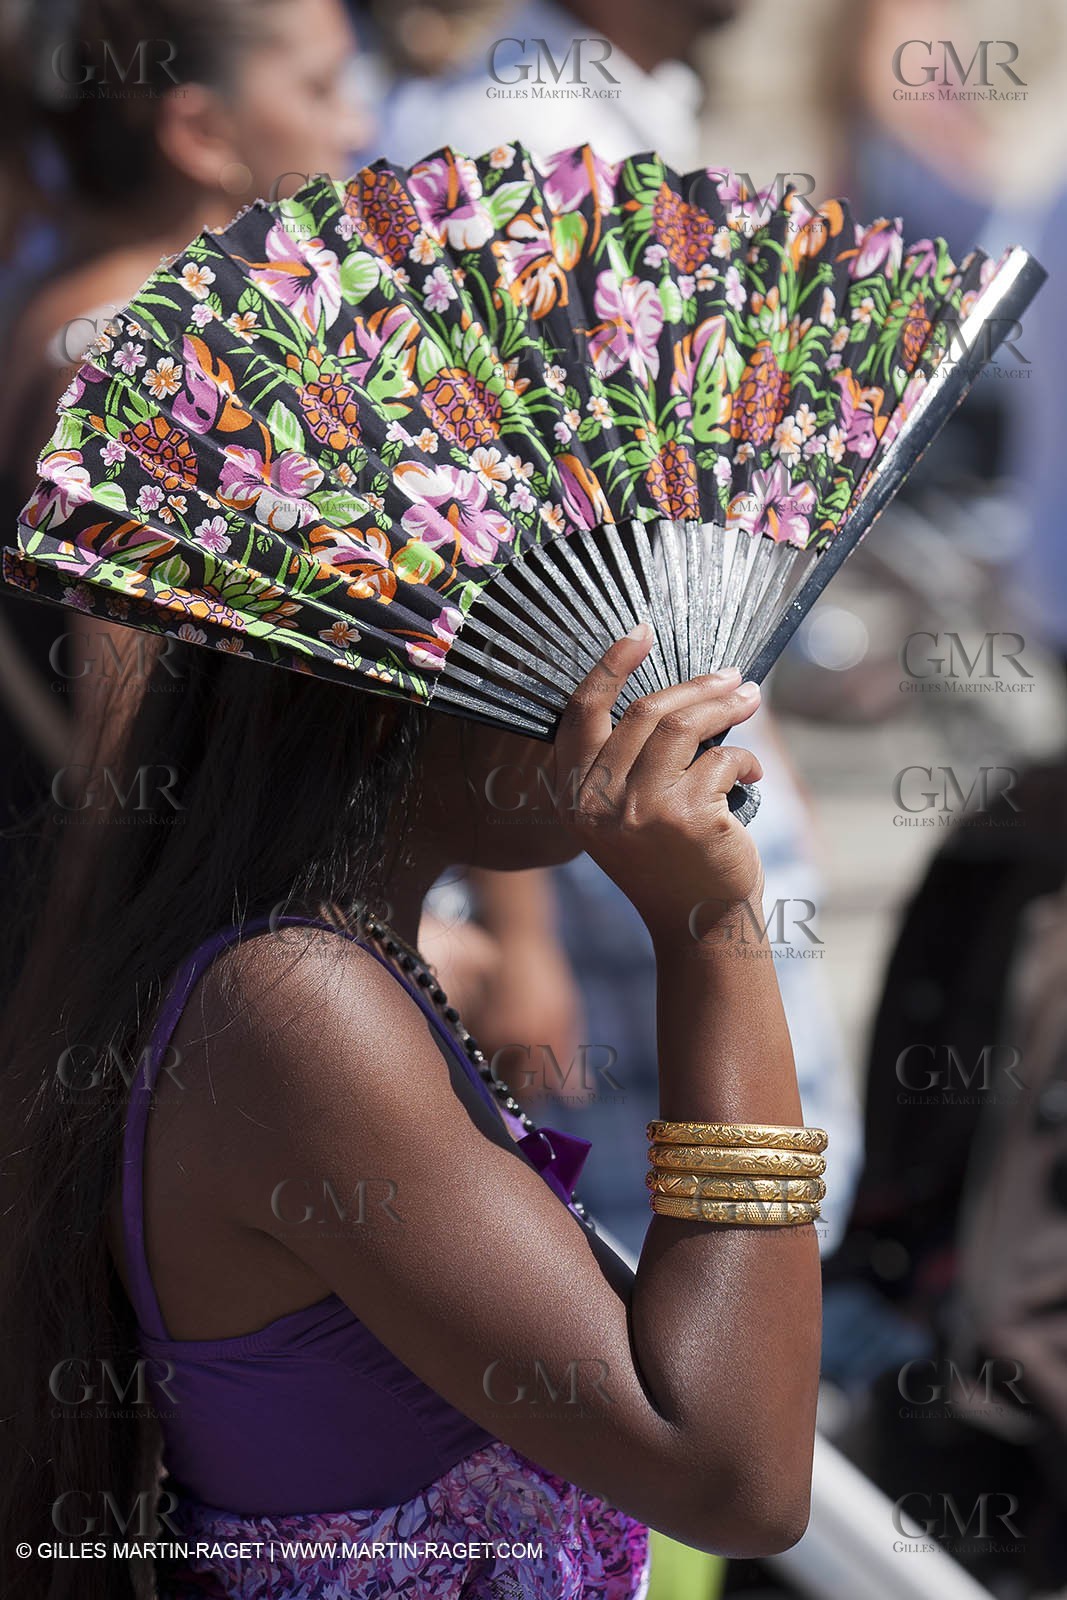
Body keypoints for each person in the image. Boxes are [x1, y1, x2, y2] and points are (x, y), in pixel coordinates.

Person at [0, 624, 823, 1599]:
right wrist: (711, 927)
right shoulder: (298, 1006)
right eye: (576, 639)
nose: (634, 695)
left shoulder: (331, 972)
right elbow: (736, 1480)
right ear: (393, 680)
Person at [0, 0, 366, 868]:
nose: (357, 123)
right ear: (201, 131)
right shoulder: (149, 358)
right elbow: (123, 765)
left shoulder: (74, 294)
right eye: (319, 88)